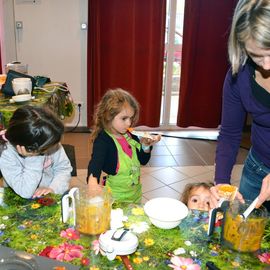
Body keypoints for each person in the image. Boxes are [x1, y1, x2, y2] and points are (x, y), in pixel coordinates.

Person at [210, 0, 270, 211]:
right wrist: (221, 182)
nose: (266, 66)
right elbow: (230, 134)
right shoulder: (239, 77)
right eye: (256, 55)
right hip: (256, 168)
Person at [87, 88, 161, 203]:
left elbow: (143, 160)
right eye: (124, 118)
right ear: (108, 116)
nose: (129, 123)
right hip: (113, 197)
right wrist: (92, 182)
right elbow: (95, 163)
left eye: (131, 118)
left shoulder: (131, 136)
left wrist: (146, 146)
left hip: (135, 195)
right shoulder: (103, 140)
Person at [0, 105, 72, 199]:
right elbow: (25, 191)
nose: (53, 147)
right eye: (45, 148)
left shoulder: (47, 138)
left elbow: (63, 169)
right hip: (18, 200)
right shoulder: (6, 154)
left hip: (51, 193)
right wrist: (33, 157)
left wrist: (53, 189)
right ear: (30, 148)